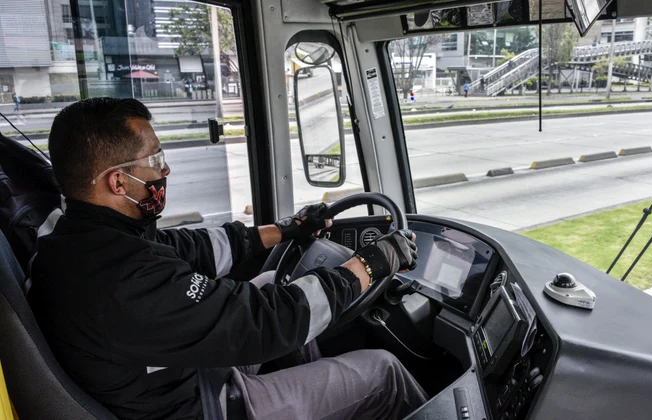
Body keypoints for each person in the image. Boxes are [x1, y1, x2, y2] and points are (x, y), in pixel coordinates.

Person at [28, 98, 427, 420]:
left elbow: (192, 247)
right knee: (383, 371)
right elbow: (266, 320)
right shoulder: (120, 282)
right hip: (201, 405)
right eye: (154, 160)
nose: (165, 168)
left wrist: (288, 230)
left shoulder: (83, 242)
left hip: (172, 372)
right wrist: (372, 263)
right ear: (117, 181)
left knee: (272, 284)